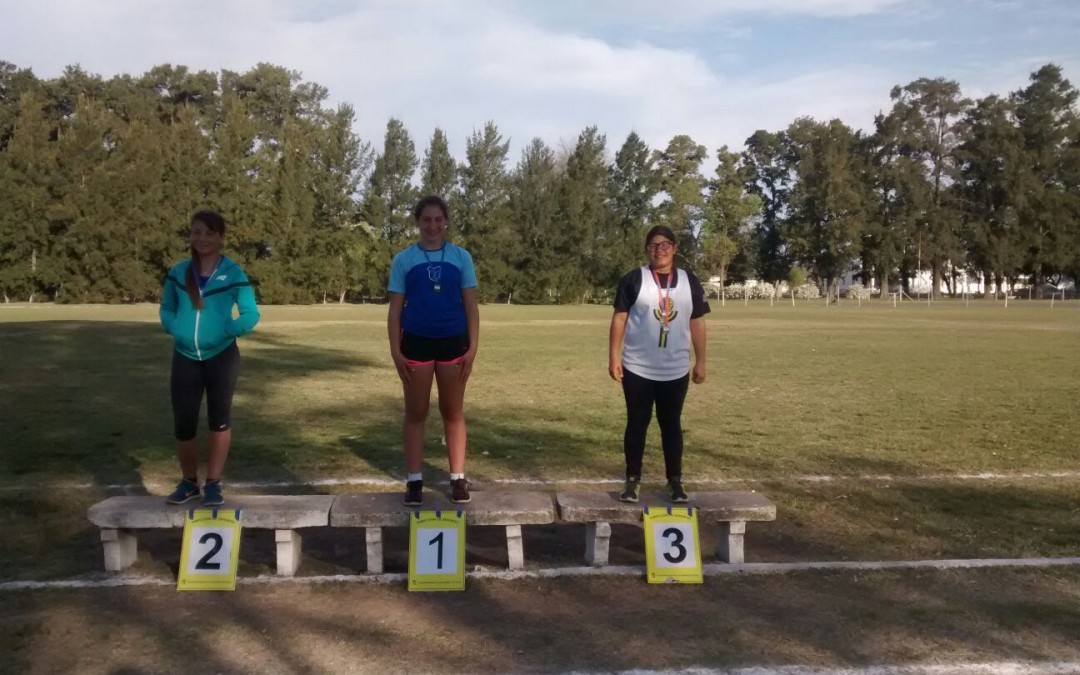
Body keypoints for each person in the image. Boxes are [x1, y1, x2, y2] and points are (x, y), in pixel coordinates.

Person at [159, 210, 260, 506]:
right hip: (185, 357)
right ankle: (189, 482)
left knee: (219, 420)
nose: (202, 238)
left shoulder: (233, 272)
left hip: (221, 357)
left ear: (220, 237)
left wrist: (228, 330)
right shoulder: (179, 272)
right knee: (184, 423)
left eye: (209, 233)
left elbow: (251, 313)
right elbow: (166, 308)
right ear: (190, 235)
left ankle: (213, 482)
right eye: (196, 232)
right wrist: (174, 327)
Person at [388, 195, 479, 505]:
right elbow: (395, 310)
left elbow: (471, 306)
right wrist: (395, 351)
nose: (432, 225)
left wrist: (473, 347)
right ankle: (414, 481)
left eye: (438, 219)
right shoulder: (404, 259)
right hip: (416, 342)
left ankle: (457, 478)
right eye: (426, 219)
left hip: (454, 342)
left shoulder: (461, 257)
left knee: (452, 412)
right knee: (416, 413)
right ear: (418, 222)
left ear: (446, 222)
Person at [608, 225, 709, 504]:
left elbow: (697, 322)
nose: (659, 250)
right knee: (636, 423)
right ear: (647, 250)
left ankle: (675, 481)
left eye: (665, 245)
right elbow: (619, 319)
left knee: (671, 425)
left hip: (675, 369)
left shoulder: (691, 282)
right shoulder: (633, 280)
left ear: (674, 248)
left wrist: (701, 361)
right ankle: (632, 480)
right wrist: (613, 357)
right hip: (638, 367)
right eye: (653, 245)